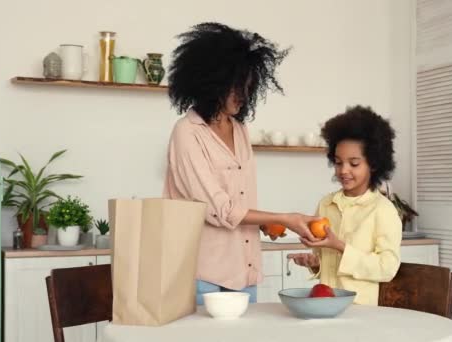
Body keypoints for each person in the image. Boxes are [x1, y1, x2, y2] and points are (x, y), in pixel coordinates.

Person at [163, 22, 318, 305]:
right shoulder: (186, 132)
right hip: (203, 274)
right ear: (210, 82)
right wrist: (283, 218)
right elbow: (218, 209)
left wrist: (265, 225)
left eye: (247, 87)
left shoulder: (239, 129)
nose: (243, 96)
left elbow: (239, 198)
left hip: (244, 269)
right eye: (235, 87)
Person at [287, 105, 402, 305]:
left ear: (373, 164)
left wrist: (339, 246)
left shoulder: (383, 210)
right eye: (339, 162)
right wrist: (315, 264)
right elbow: (326, 262)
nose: (343, 170)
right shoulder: (326, 204)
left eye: (354, 163)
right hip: (324, 305)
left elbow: (387, 268)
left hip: (361, 312)